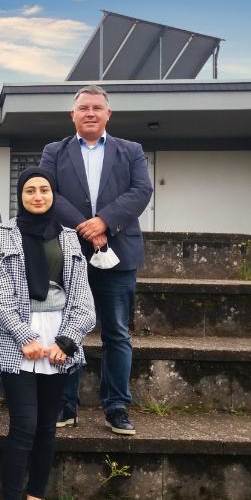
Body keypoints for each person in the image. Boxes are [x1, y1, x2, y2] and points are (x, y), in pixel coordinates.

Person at [39, 84, 153, 436]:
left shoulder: (131, 150)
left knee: (116, 332)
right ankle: (65, 404)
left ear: (108, 114)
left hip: (118, 255)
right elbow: (48, 191)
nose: (90, 113)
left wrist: (105, 221)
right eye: (83, 108)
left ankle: (116, 406)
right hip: (68, 253)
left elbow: (141, 190)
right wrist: (86, 227)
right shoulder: (54, 151)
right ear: (72, 114)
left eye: (96, 107)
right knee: (65, 327)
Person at [0, 167, 96, 500]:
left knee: (47, 428)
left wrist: (68, 340)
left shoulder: (69, 237)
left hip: (59, 336)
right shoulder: (4, 234)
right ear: (20, 195)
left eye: (44, 190)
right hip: (17, 338)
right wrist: (24, 337)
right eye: (30, 190)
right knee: (24, 425)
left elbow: (83, 299)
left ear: (53, 195)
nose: (37, 196)